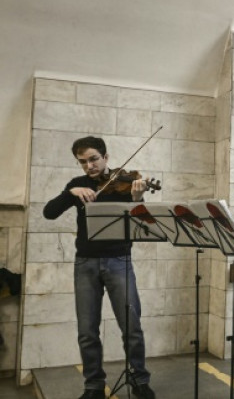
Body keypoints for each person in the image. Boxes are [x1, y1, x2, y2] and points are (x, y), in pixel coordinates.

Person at [42, 137, 155, 399]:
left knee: (131, 326)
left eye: (93, 159)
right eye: (83, 162)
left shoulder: (127, 182)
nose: (89, 166)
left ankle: (139, 379)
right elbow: (49, 213)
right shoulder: (77, 185)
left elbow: (141, 219)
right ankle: (93, 386)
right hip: (85, 263)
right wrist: (69, 193)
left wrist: (137, 197)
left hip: (119, 261)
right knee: (87, 330)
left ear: (105, 156)